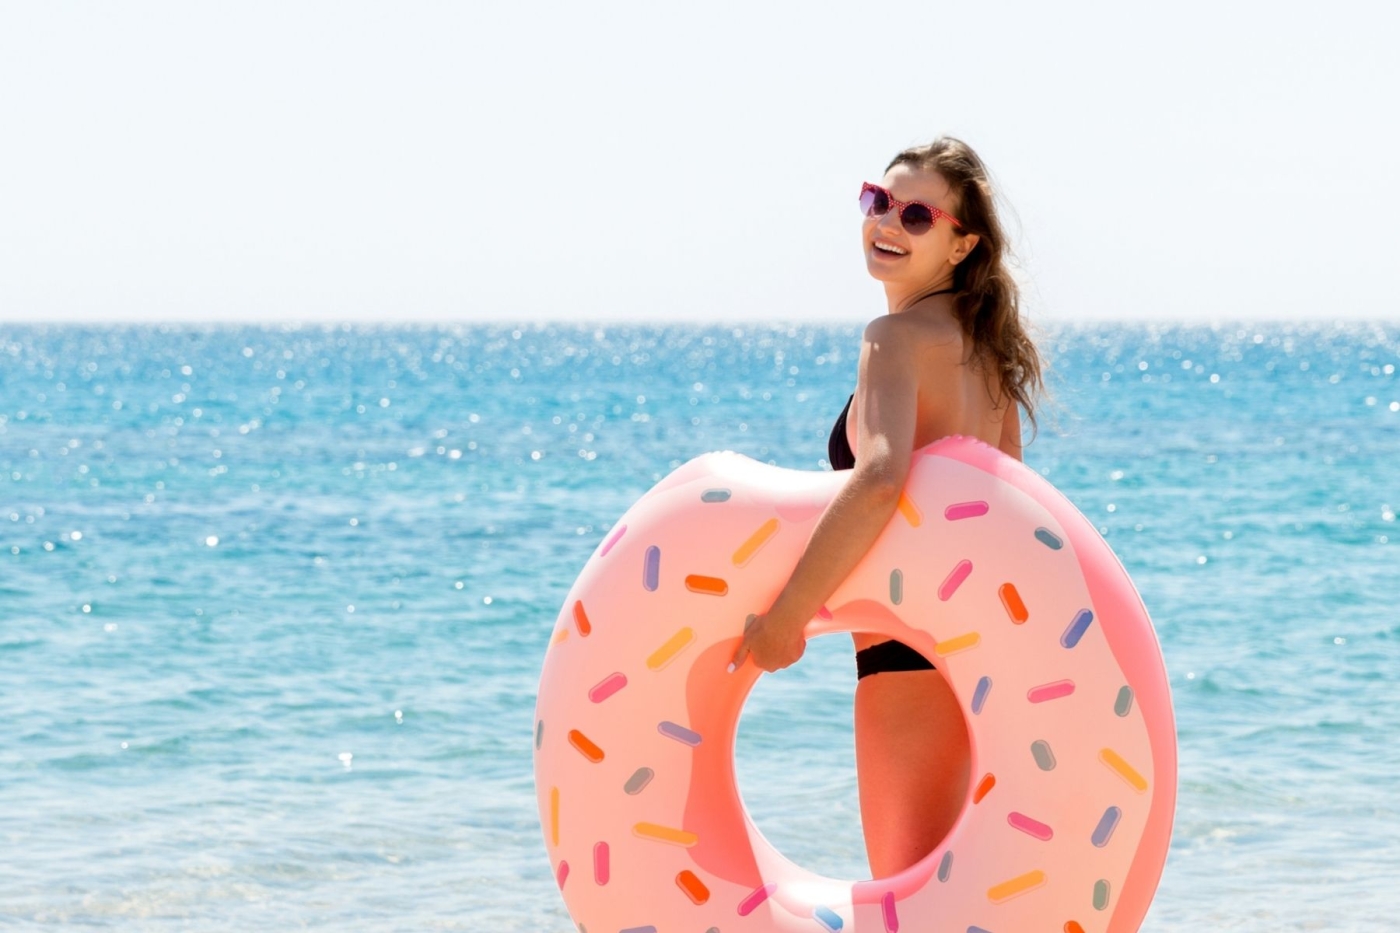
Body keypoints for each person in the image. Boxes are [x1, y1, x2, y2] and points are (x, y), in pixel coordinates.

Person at [730, 136, 1044, 879]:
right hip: (978, 663)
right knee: (964, 897)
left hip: (903, 663)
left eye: (915, 214)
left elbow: (877, 480)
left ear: (962, 243)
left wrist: (787, 619)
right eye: (878, 201)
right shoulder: (988, 352)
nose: (887, 224)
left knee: (909, 894)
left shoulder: (894, 338)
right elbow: (1009, 509)